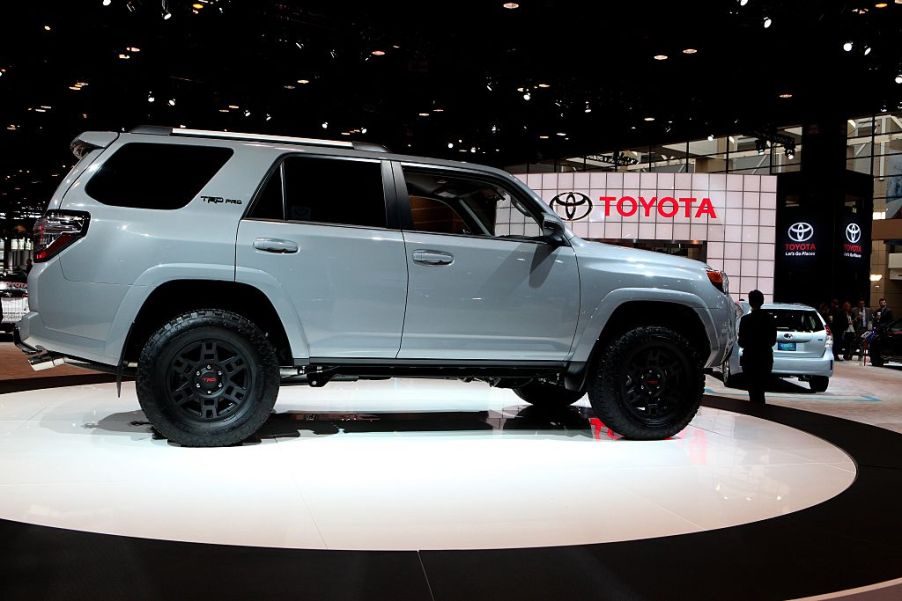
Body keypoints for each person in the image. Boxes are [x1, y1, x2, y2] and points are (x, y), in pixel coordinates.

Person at [738, 289, 777, 404]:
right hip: (765, 357)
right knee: (761, 387)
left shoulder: (745, 320)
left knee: (752, 387)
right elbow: (773, 341)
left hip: (750, 357)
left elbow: (741, 342)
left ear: (750, 302)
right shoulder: (770, 319)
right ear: (762, 301)